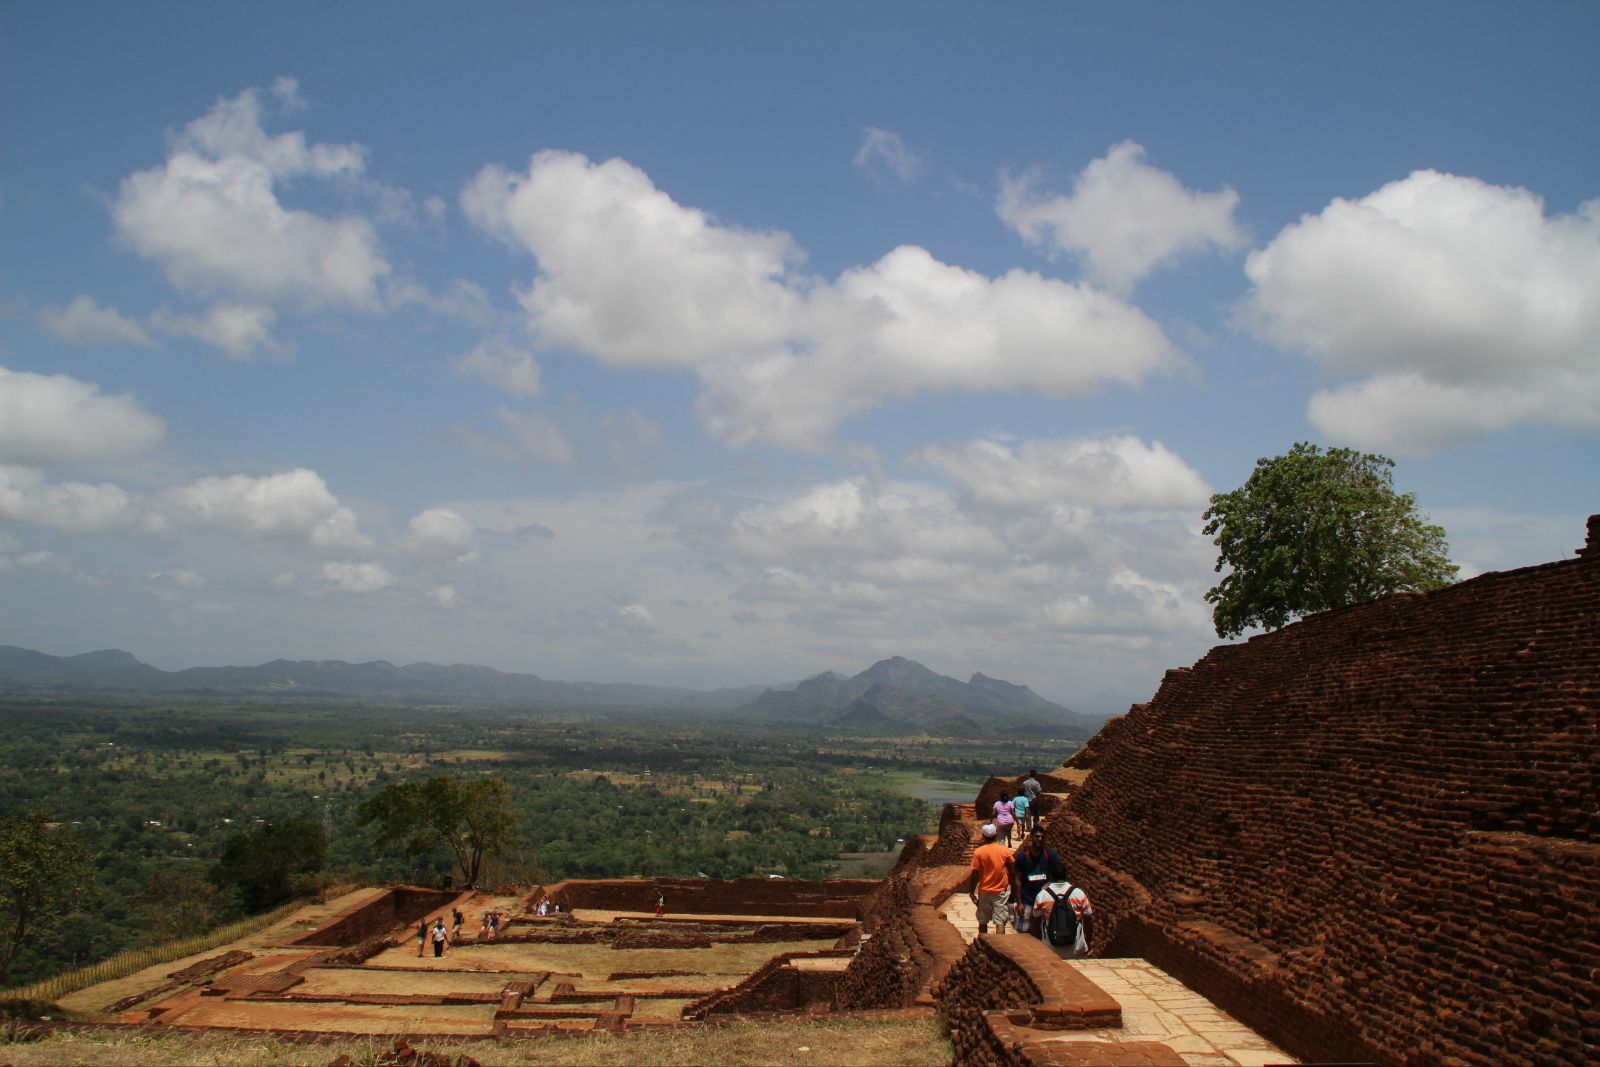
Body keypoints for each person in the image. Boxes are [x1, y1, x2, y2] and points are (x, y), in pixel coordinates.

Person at [1033, 858, 1094, 958]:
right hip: (1075, 948)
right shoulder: (1078, 893)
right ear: (1066, 875)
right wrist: (1089, 941)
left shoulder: (1042, 895)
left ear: (1051, 876)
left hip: (1050, 949)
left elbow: (1036, 922)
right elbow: (1089, 919)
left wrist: (1038, 945)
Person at [965, 823, 1015, 936]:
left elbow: (975, 874)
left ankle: (983, 945)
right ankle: (1000, 948)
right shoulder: (1004, 850)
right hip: (1000, 890)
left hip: (984, 890)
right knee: (1000, 921)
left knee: (983, 921)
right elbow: (1013, 870)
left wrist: (972, 892)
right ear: (996, 835)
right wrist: (1013, 889)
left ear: (983, 836)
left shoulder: (979, 852)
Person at [1010, 828, 1058, 935]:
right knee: (1024, 933)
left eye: (1042, 837)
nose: (1040, 839)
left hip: (1044, 902)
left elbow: (1055, 875)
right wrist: (1019, 903)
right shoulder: (1023, 856)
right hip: (1027, 901)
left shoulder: (1049, 855)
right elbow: (1017, 879)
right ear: (1032, 838)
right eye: (1037, 836)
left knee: (1043, 932)